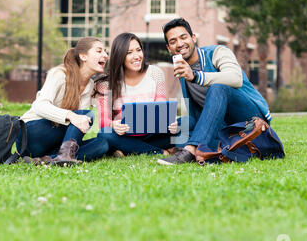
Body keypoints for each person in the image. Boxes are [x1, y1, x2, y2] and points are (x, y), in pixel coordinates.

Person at [157, 18, 272, 165]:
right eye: (173, 41)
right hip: (221, 124)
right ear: (169, 48)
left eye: (183, 37)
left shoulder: (217, 52)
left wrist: (196, 76)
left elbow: (235, 78)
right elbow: (193, 115)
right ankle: (168, 149)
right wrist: (179, 125)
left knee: (218, 87)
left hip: (251, 118)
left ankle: (191, 149)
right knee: (177, 127)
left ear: (193, 38)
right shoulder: (182, 71)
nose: (179, 44)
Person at [16, 37, 109, 166]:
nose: (105, 55)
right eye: (99, 51)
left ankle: (48, 159)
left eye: (105, 52)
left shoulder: (91, 86)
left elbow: (105, 113)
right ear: (83, 56)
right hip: (31, 135)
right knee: (87, 115)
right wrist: (71, 116)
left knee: (102, 144)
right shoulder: (59, 74)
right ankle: (64, 155)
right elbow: (39, 105)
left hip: (55, 142)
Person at [95, 32, 187, 156]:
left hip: (155, 134)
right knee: (104, 134)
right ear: (119, 56)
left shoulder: (155, 73)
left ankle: (127, 150)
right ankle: (157, 152)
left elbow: (161, 107)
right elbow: (103, 121)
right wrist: (113, 124)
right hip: (125, 135)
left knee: (187, 122)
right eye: (129, 53)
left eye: (138, 50)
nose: (137, 56)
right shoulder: (106, 84)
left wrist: (171, 122)